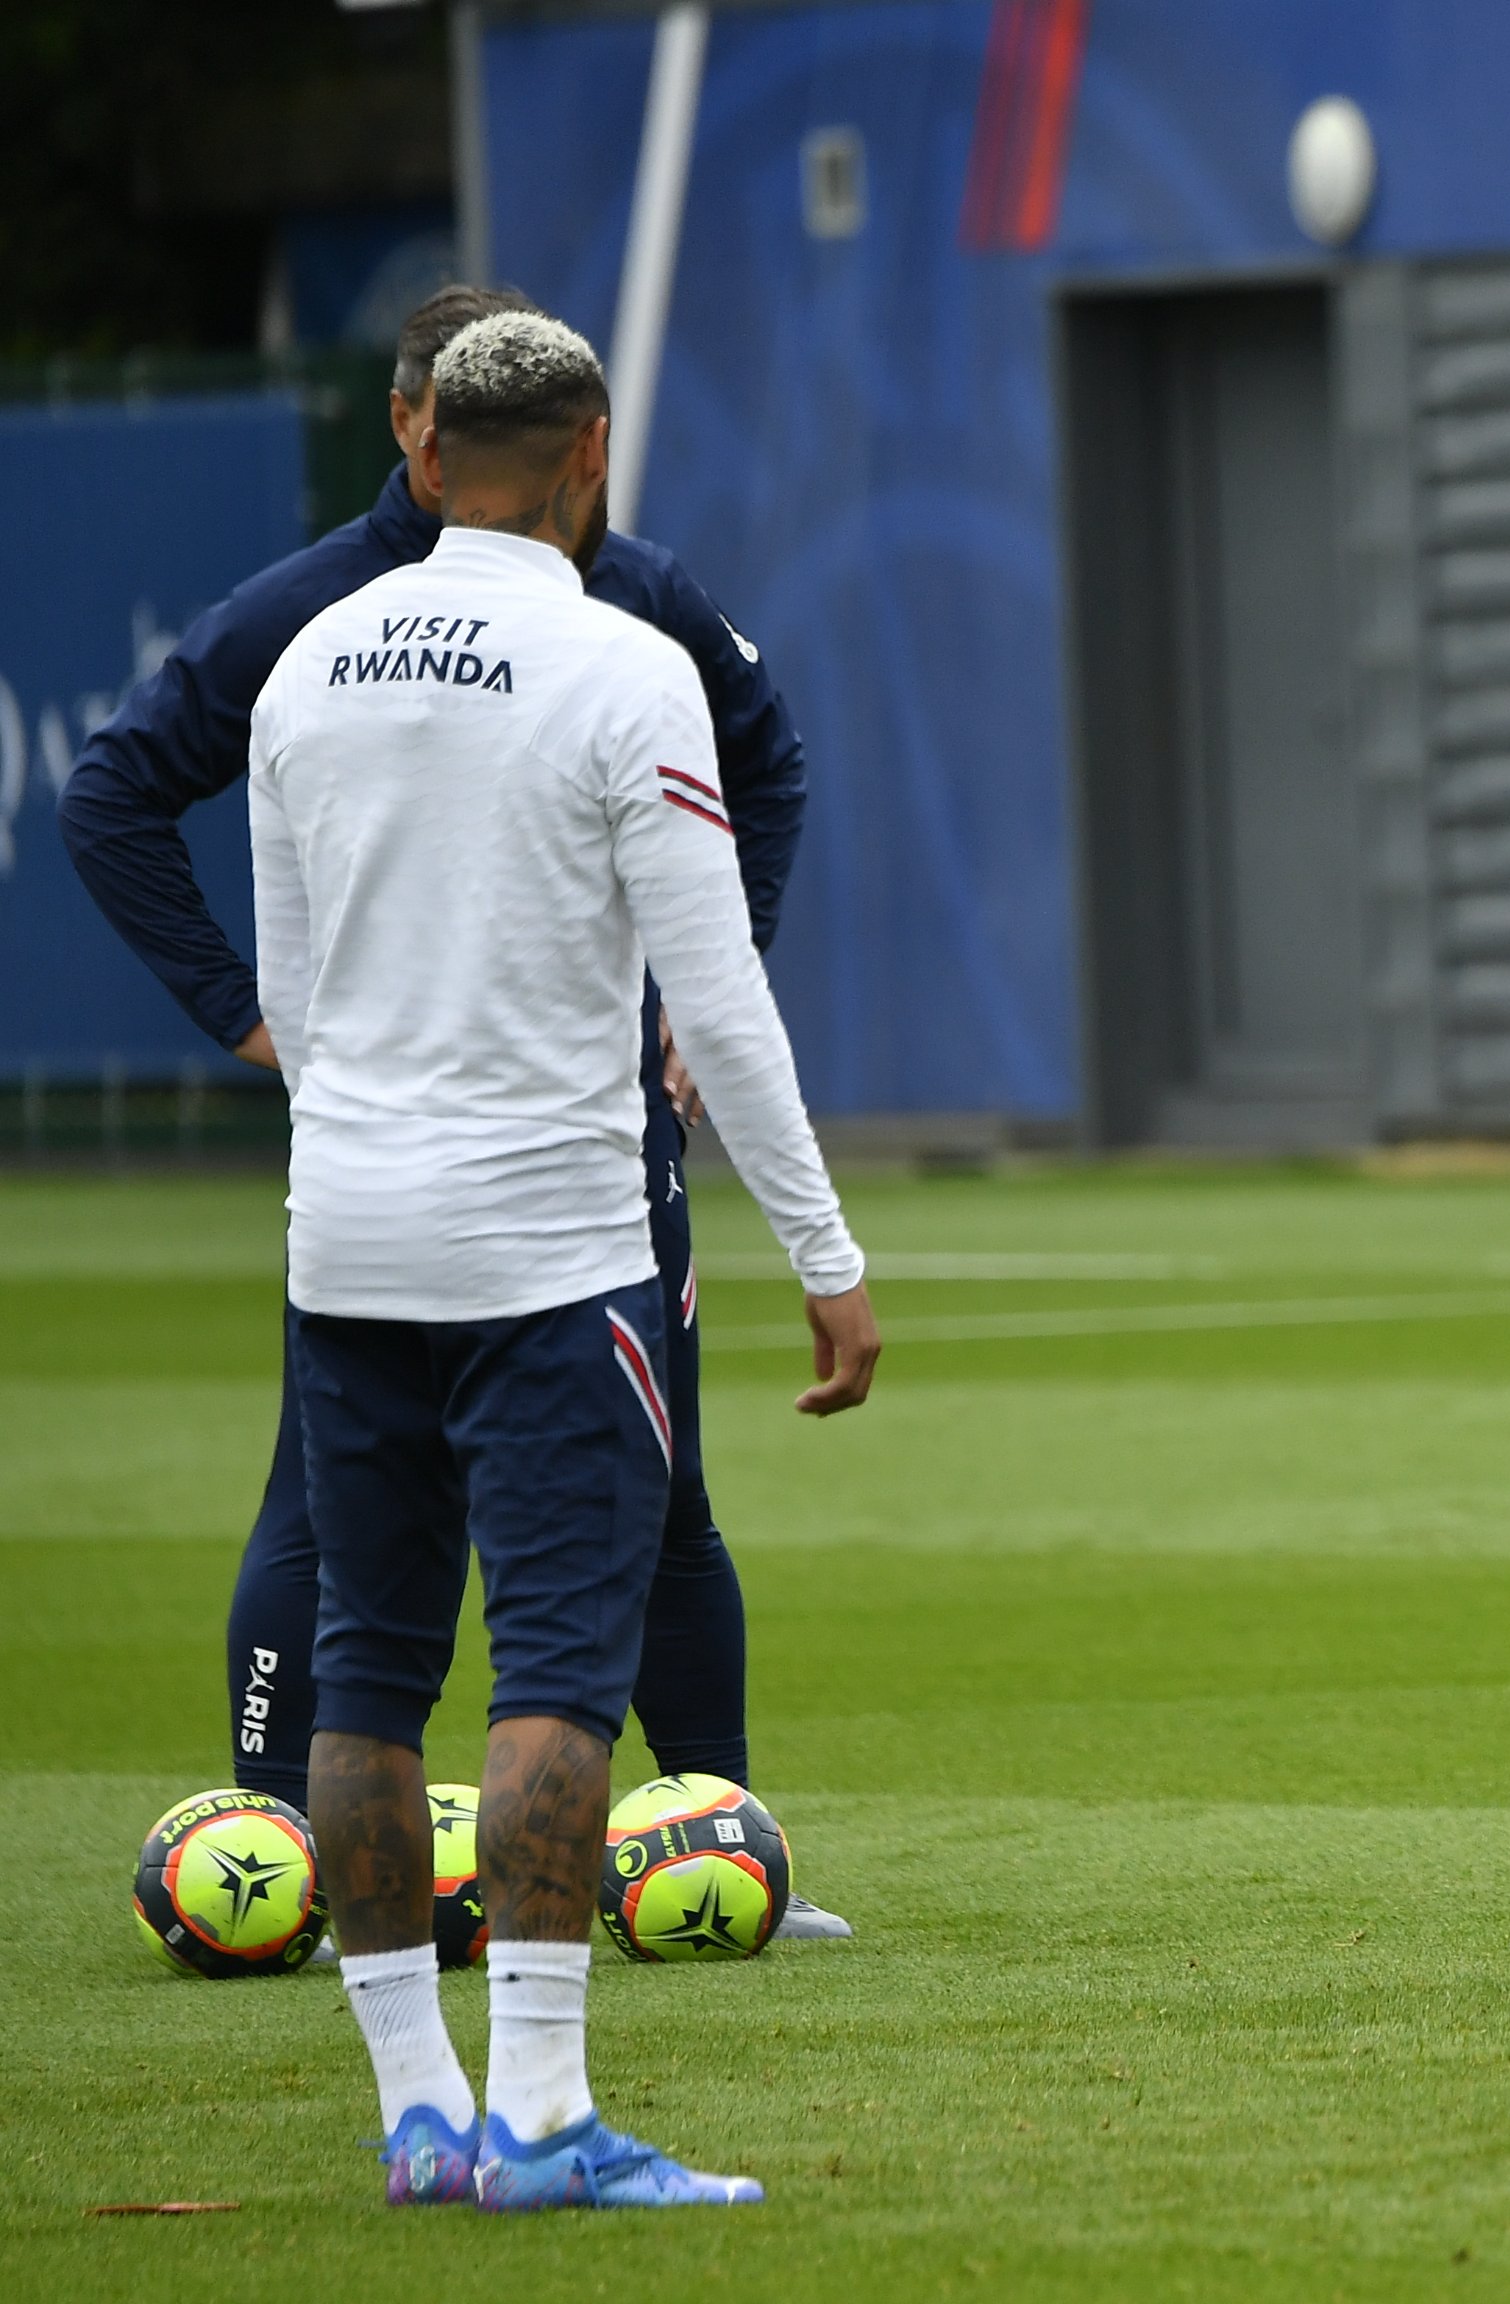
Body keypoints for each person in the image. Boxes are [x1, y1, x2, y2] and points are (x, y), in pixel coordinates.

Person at [57, 286, 843, 1937]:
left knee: (661, 1490)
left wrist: (699, 986)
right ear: (415, 428)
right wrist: (247, 1017)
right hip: (489, 1175)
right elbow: (118, 789)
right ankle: (274, 1848)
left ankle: (706, 1817)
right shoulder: (325, 613)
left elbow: (764, 763)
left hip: (514, 1147)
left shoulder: (626, 605)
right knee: (351, 1531)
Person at [252, 311, 877, 2210]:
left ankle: (414, 2120)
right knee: (550, 1682)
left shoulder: (306, 665)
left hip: (342, 1244)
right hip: (548, 1251)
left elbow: (288, 994)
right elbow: (722, 1003)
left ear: (427, 446)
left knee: (367, 1678)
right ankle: (540, 2118)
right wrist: (825, 1251)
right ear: (591, 454)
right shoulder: (626, 668)